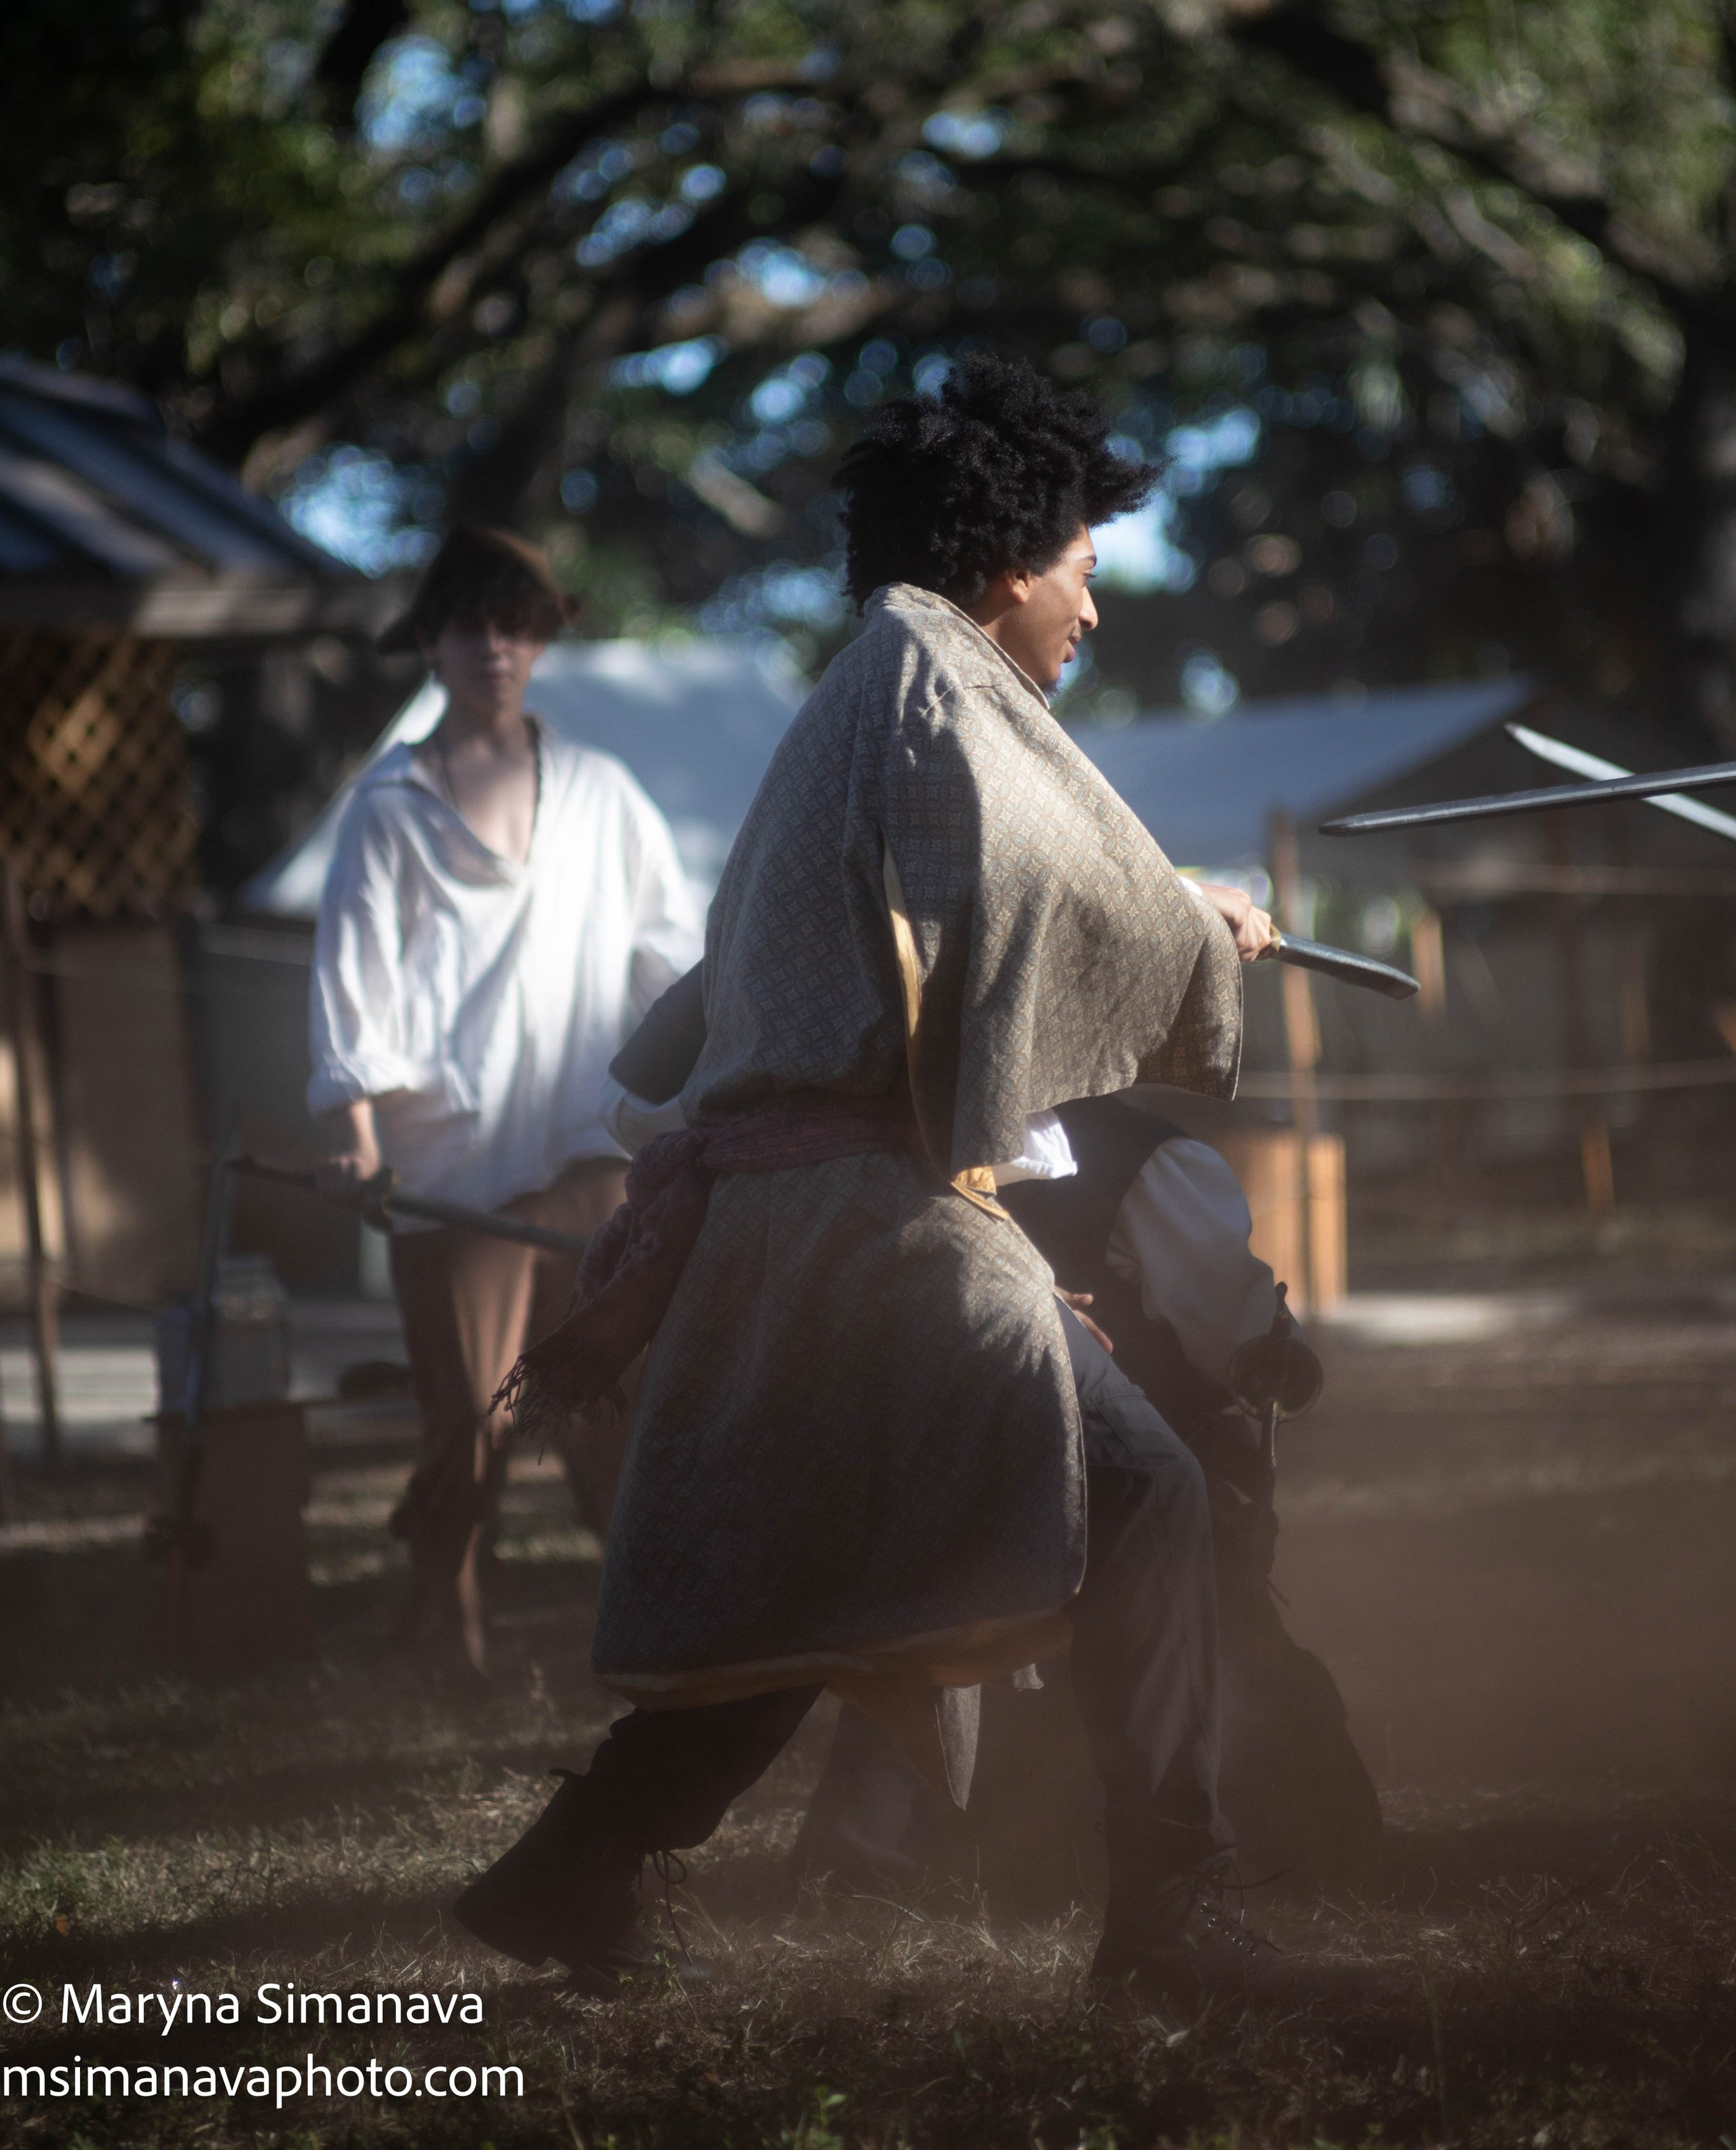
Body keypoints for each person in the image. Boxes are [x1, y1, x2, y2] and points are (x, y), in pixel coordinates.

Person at [452, 358, 1334, 2007]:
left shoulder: (885, 680)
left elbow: (987, 900)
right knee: (1143, 1490)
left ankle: (565, 1870)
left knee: (819, 1581)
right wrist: (1194, 919)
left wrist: (1162, 901)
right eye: (1082, 565)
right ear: (1012, 557)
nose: (1091, 608)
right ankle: (1173, 1918)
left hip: (807, 1227)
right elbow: (1034, 899)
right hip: (861, 1222)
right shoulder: (934, 685)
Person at [793, 1095, 1384, 1898]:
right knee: (1205, 1624)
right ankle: (1297, 1848)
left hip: (948, 1467)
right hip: (1103, 1485)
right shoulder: (1153, 1160)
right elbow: (1232, 1336)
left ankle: (872, 1847)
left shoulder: (911, 1129)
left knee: (929, 1642)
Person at [308, 526, 701, 1675]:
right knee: (471, 1421)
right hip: (451, 1160)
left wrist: (716, 1095)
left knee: (619, 1399)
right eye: (472, 623)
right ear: (430, 641)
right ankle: (444, 1626)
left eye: (517, 623)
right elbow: (352, 985)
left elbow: (668, 962)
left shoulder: (602, 793)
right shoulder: (385, 810)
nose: (496, 645)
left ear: (542, 640)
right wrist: (357, 1136)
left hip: (591, 1147)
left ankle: (661, 1631)